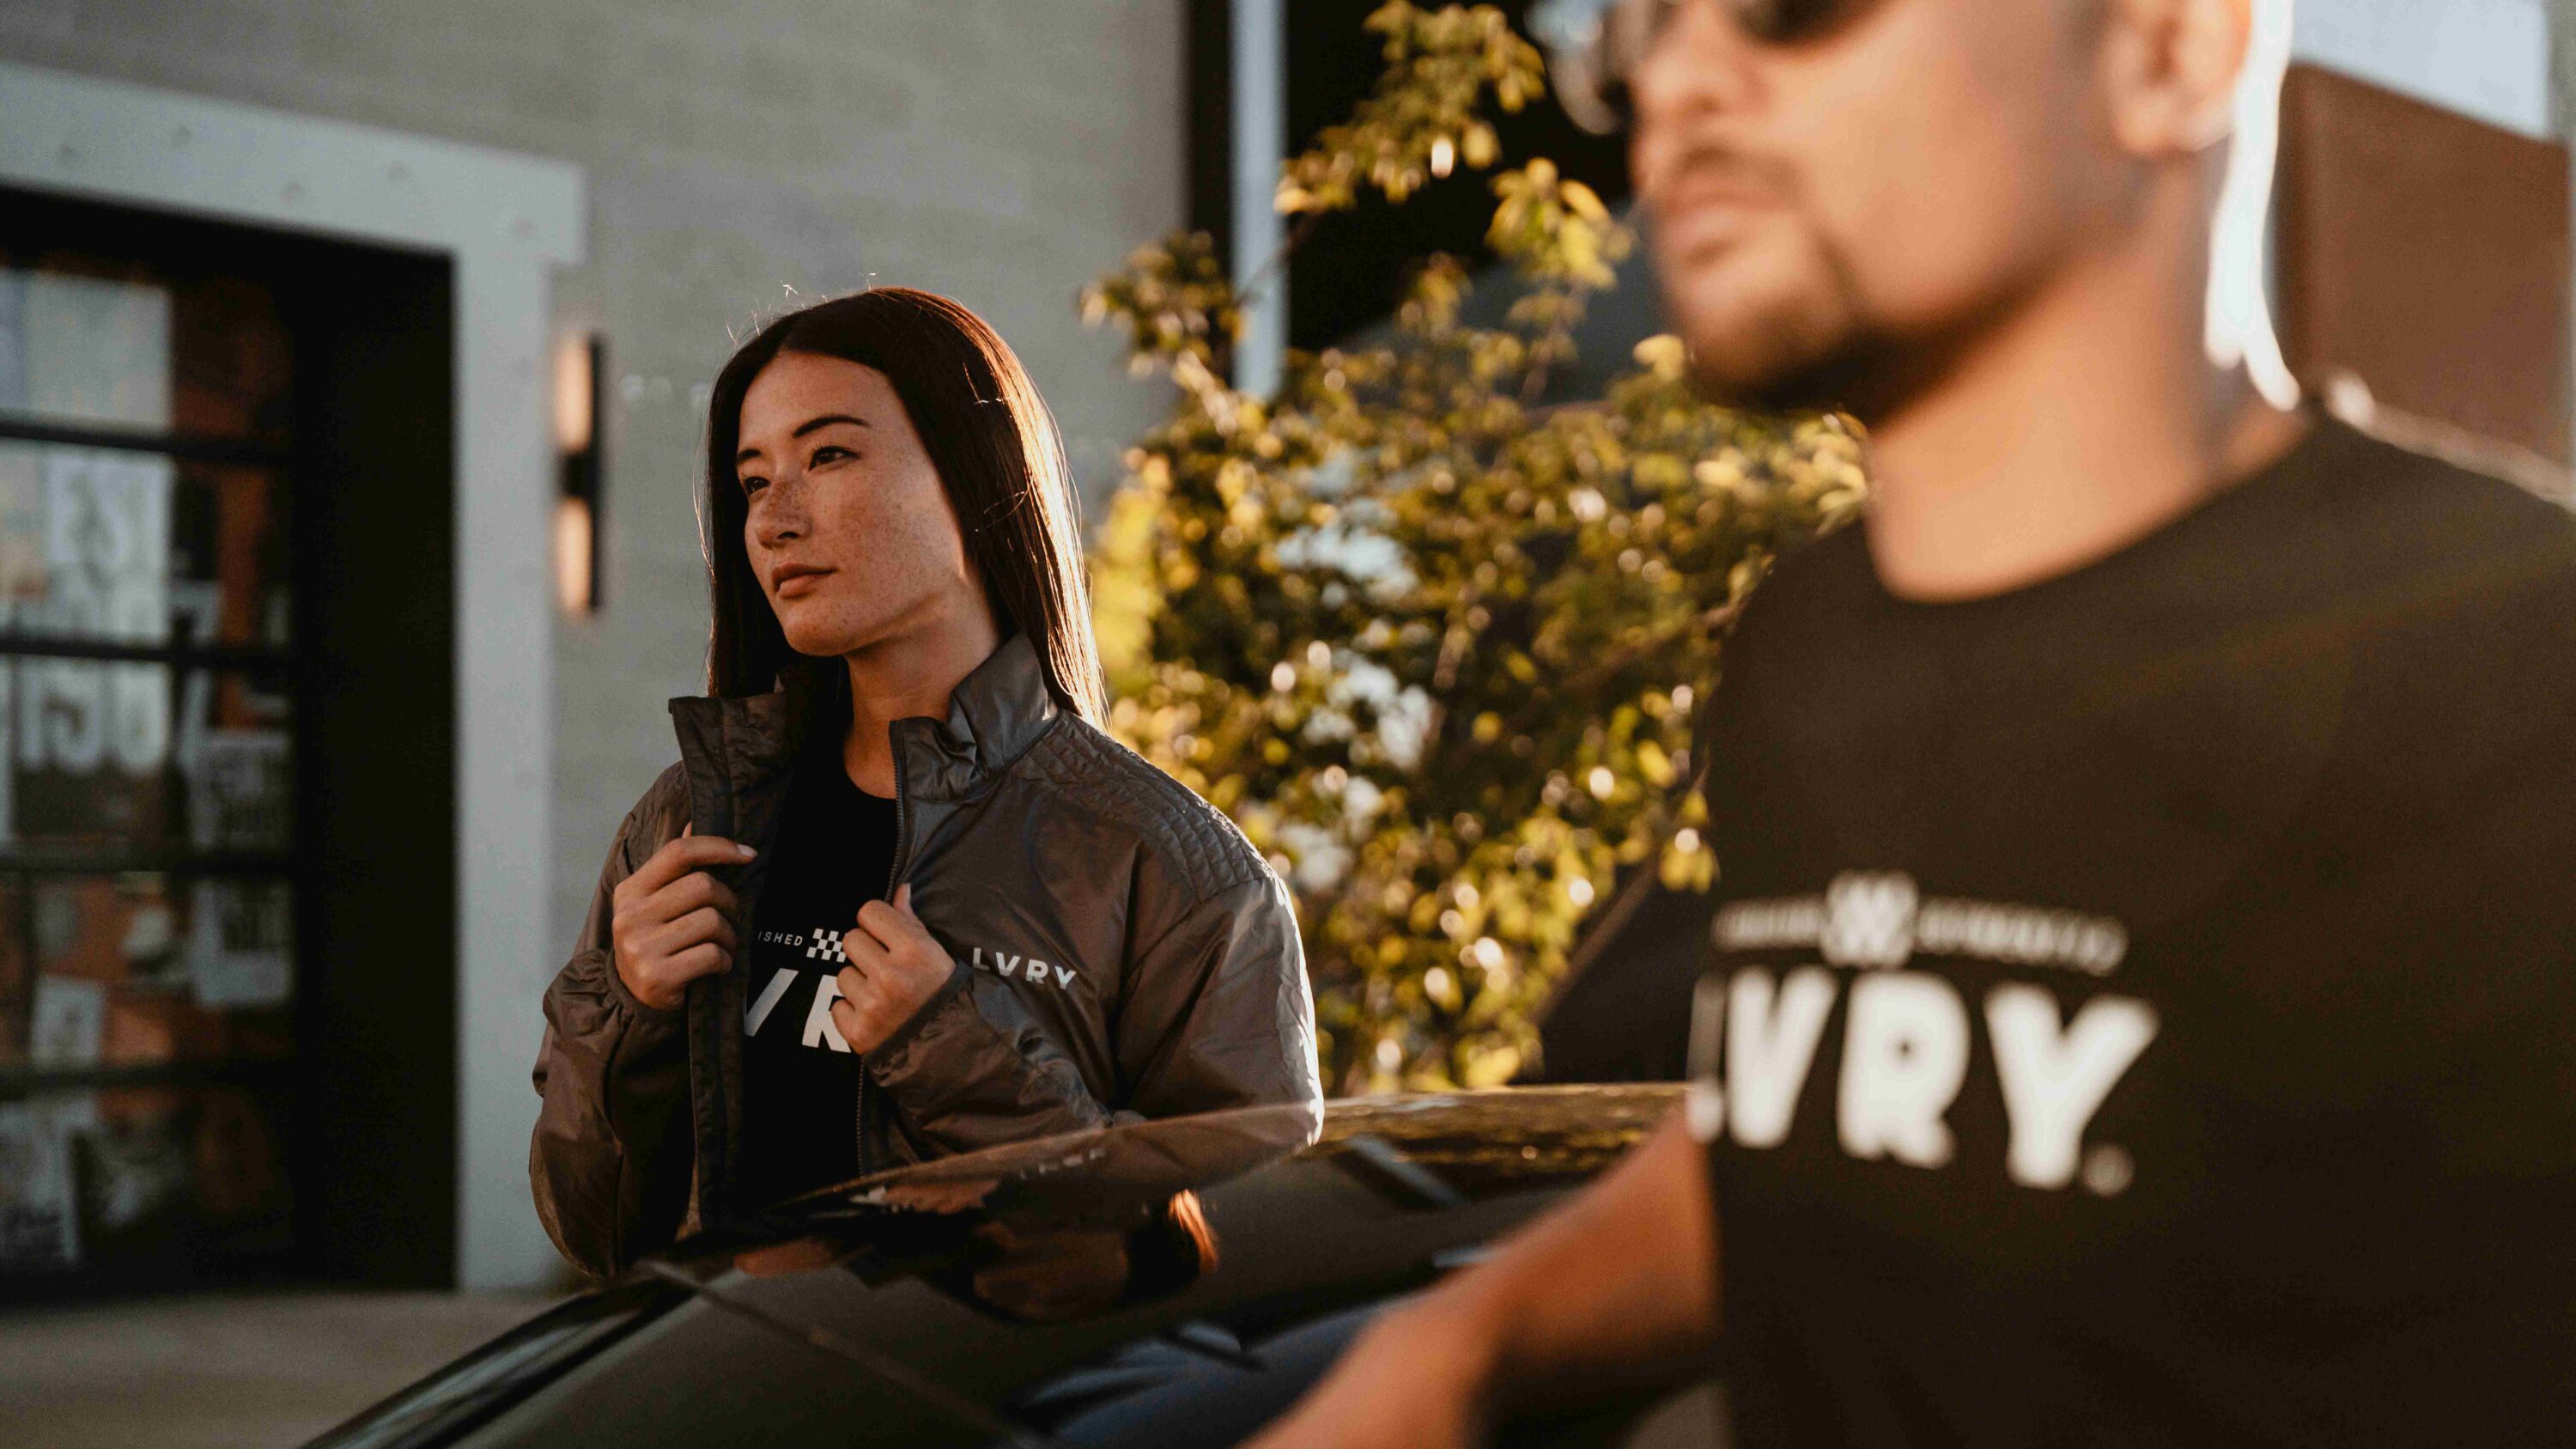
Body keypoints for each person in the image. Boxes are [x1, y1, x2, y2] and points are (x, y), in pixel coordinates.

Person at [1258, 0, 2576, 1442]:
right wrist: (1461, 1339)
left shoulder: (2515, 676)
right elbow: (1825, 1118)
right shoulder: (1806, 641)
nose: (1680, 80)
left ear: (2169, 46)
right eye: (1645, 24)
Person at [530, 288, 1321, 1279]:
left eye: (828, 456)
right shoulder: (690, 819)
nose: (775, 519)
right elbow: (590, 1230)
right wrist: (627, 1013)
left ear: (977, 479)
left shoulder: (1169, 869)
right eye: (751, 479)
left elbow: (1232, 1263)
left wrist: (954, 1049)